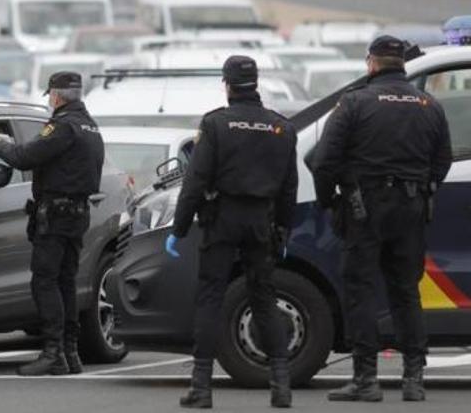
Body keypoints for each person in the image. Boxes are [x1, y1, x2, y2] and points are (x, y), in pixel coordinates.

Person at [313, 35, 452, 402]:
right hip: (411, 208)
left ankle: (366, 380)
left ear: (371, 63)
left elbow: (325, 160)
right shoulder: (429, 104)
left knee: (360, 292)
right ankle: (413, 379)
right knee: (406, 292)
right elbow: (443, 161)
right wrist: (422, 188)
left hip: (365, 208)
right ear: (402, 65)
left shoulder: (355, 103)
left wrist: (331, 202)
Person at [169, 55, 298, 409]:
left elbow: (195, 181)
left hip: (222, 219)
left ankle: (201, 387)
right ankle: (281, 385)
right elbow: (289, 188)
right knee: (264, 298)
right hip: (262, 221)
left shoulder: (216, 124)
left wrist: (179, 227)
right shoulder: (281, 128)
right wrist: (283, 229)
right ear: (255, 83)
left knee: (210, 297)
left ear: (227, 85)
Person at [0, 71, 105, 376]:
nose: (50, 100)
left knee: (45, 281)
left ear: (57, 95)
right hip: (76, 215)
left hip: (57, 215)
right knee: (65, 282)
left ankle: (53, 353)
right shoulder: (90, 126)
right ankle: (70, 353)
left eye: (51, 95)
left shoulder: (62, 126)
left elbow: (24, 157)